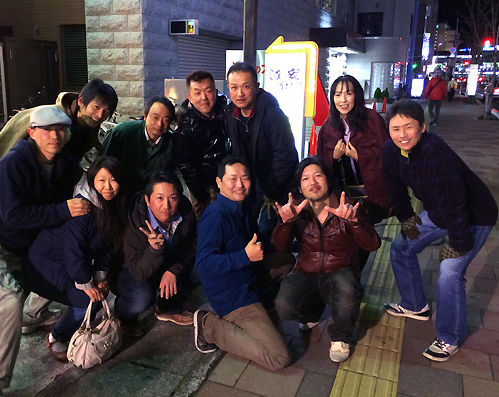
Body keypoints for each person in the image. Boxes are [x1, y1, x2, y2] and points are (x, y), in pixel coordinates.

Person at [0, 106, 89, 397]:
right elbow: (13, 216)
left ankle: (32, 316)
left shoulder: (66, 165)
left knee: (71, 268)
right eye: (47, 130)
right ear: (32, 132)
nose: (55, 136)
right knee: (9, 300)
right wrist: (63, 209)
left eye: (61, 130)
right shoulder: (12, 164)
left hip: (26, 248)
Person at [382, 100, 497, 362]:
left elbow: (455, 201)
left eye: (409, 127)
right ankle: (414, 305)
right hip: (438, 211)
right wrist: (407, 219)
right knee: (401, 246)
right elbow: (395, 187)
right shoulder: (390, 150)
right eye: (396, 128)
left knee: (449, 272)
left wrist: (458, 243)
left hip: (474, 215)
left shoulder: (435, 151)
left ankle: (450, 336)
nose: (402, 135)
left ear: (422, 127)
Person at [272, 156, 381, 363]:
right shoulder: (297, 210)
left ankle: (341, 336)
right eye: (305, 179)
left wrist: (354, 221)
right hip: (307, 272)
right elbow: (279, 248)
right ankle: (312, 313)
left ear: (328, 180)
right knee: (283, 306)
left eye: (318, 175)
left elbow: (373, 244)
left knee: (346, 288)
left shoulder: (347, 207)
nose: (313, 182)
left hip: (341, 271)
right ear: (300, 188)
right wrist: (286, 223)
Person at [194, 156, 292, 371]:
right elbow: (203, 263)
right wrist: (245, 257)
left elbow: (260, 241)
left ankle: (263, 304)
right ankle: (208, 325)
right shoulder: (216, 215)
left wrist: (285, 224)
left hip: (250, 276)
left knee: (287, 261)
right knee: (278, 358)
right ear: (219, 182)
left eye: (245, 178)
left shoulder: (241, 206)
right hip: (232, 294)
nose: (240, 184)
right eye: (233, 179)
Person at [24, 156, 124, 362]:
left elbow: (108, 245)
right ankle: (56, 337)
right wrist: (86, 283)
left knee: (97, 297)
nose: (108, 187)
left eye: (113, 180)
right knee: (89, 301)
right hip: (48, 261)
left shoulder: (113, 205)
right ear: (92, 180)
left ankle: (53, 320)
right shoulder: (83, 207)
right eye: (101, 180)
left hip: (71, 262)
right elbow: (74, 250)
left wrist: (101, 277)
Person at [0, 78, 118, 187]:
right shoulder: (52, 120)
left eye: (106, 111)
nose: (99, 115)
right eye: (96, 107)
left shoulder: (89, 127)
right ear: (80, 101)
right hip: (28, 182)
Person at [317, 75, 391, 271]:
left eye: (348, 93)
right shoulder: (329, 125)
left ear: (357, 95)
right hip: (342, 193)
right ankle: (347, 275)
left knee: (364, 235)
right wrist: (334, 157)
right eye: (337, 94)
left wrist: (360, 155)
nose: (343, 100)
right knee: (344, 237)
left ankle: (355, 276)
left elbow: (387, 154)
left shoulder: (372, 120)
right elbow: (321, 162)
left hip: (368, 193)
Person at [112, 171, 198, 336]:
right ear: (147, 199)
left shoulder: (185, 210)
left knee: (202, 265)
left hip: (169, 263)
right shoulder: (135, 221)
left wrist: (173, 270)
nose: (166, 206)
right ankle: (124, 316)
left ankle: (167, 307)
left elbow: (194, 244)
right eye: (159, 198)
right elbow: (139, 272)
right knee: (141, 297)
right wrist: (154, 250)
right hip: (133, 269)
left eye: (172, 198)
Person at [225, 62, 298, 243]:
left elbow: (285, 157)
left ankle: (276, 259)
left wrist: (271, 192)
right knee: (246, 228)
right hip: (250, 185)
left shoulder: (274, 115)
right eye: (234, 87)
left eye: (246, 86)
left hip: (276, 186)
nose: (239, 93)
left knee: (266, 230)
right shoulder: (230, 113)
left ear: (256, 86)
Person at [101, 96, 176, 206]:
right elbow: (100, 163)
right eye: (155, 117)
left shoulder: (172, 143)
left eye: (165, 120)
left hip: (150, 202)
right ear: (145, 116)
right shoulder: (122, 132)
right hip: (118, 196)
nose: (159, 124)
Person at [174, 70, 228, 218]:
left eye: (208, 91)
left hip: (227, 178)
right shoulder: (185, 127)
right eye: (197, 93)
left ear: (215, 92)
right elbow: (187, 167)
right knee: (206, 221)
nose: (204, 97)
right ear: (189, 97)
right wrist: (202, 196)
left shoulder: (226, 110)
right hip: (203, 184)